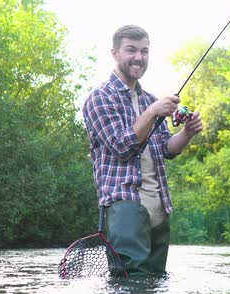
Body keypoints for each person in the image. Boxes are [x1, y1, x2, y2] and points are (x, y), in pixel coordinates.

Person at [82, 25, 203, 275]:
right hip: (125, 206)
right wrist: (152, 113)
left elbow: (166, 150)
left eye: (144, 51)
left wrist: (187, 133)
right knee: (130, 286)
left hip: (159, 205)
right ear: (115, 53)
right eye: (131, 50)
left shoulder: (150, 99)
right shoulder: (100, 97)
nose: (139, 57)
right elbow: (121, 146)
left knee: (156, 288)